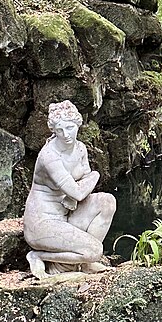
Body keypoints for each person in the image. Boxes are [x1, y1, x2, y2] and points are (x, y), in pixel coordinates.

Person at [23, 100, 116, 279]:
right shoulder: (49, 156)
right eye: (59, 130)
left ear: (78, 125)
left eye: (70, 128)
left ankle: (85, 263)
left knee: (107, 201)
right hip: (43, 223)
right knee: (95, 250)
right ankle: (39, 256)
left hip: (66, 215)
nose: (66, 134)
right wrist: (95, 176)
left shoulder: (80, 149)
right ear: (54, 131)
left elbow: (83, 183)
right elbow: (79, 192)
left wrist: (86, 182)